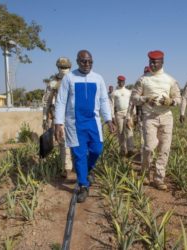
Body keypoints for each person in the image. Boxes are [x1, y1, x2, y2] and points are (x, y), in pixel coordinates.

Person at [55, 50, 115, 203]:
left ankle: (88, 169)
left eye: (90, 61)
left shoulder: (98, 78)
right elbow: (61, 101)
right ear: (77, 61)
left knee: (97, 149)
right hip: (74, 123)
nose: (87, 64)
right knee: (80, 154)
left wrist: (108, 119)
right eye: (83, 61)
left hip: (93, 122)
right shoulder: (69, 78)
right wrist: (58, 123)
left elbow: (103, 100)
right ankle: (83, 185)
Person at [131, 50, 181, 190]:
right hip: (149, 118)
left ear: (162, 63)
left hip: (166, 117)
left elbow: (178, 99)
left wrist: (170, 102)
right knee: (148, 147)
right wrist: (145, 99)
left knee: (164, 149)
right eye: (151, 62)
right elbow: (134, 98)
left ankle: (159, 178)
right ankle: (146, 174)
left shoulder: (170, 80)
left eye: (155, 62)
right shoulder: (143, 80)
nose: (152, 64)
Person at [42, 57, 73, 178]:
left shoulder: (75, 79)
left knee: (77, 141)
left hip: (75, 115)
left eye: (66, 67)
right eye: (62, 67)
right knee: (63, 142)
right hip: (59, 115)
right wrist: (45, 117)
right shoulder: (53, 82)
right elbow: (46, 101)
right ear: (58, 68)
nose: (64, 69)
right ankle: (67, 168)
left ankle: (76, 166)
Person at [111, 75, 135, 156]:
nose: (121, 82)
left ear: (124, 82)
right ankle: (122, 150)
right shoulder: (114, 93)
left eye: (122, 81)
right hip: (119, 114)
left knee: (129, 130)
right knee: (120, 132)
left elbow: (132, 104)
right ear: (118, 82)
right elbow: (112, 105)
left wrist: (133, 113)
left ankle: (130, 149)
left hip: (128, 113)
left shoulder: (129, 92)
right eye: (119, 81)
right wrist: (112, 116)